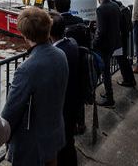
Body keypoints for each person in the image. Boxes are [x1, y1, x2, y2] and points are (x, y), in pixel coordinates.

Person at [2, 7, 69, 166]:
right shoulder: (61, 54)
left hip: (32, 144)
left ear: (24, 35)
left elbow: (10, 112)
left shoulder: (26, 69)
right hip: (54, 134)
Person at [49, 13, 81, 165]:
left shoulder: (58, 54)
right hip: (74, 101)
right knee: (69, 142)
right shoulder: (72, 44)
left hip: (64, 106)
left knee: (63, 145)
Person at [93, 0, 122, 108]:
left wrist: (94, 43)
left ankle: (110, 99)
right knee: (106, 70)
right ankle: (107, 93)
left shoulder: (100, 9)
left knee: (104, 71)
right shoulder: (115, 5)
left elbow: (101, 31)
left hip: (104, 45)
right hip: (114, 42)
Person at [108, 0, 136, 87]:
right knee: (124, 60)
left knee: (122, 61)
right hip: (124, 36)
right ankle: (131, 79)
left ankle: (127, 80)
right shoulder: (120, 5)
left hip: (117, 38)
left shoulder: (112, 7)